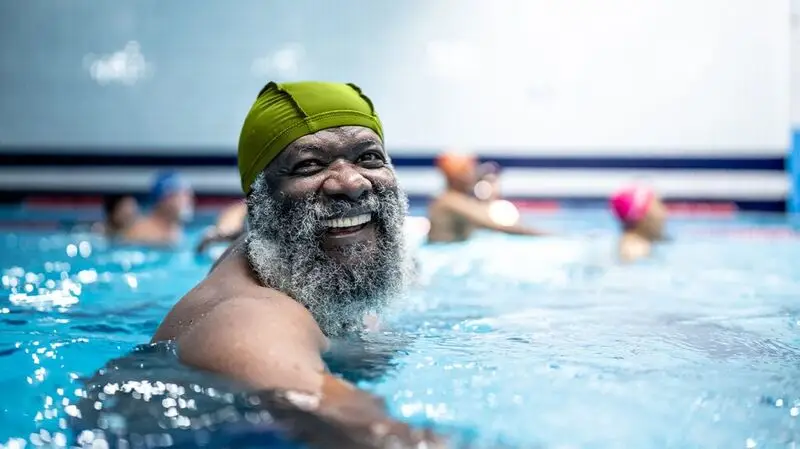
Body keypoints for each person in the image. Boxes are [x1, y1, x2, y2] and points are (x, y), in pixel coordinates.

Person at [151, 81, 444, 448]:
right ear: (259, 204)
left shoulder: (278, 261)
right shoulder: (248, 323)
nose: (352, 182)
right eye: (308, 165)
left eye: (369, 157)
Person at [426, 152, 549, 243]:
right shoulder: (450, 203)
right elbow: (496, 225)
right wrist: (545, 235)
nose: (473, 173)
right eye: (469, 169)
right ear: (458, 176)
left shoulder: (453, 200)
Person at [121, 171, 195, 246]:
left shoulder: (177, 231)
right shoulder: (140, 233)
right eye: (183, 195)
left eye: (188, 194)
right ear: (164, 199)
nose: (189, 200)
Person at [609, 184, 668, 263]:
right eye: (658, 205)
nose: (664, 213)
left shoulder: (634, 248)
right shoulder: (635, 252)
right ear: (644, 216)